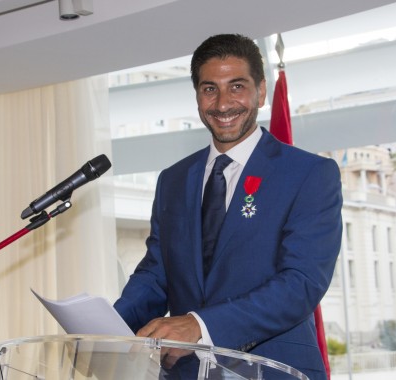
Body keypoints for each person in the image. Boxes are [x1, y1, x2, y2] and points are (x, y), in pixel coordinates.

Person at [113, 34, 343, 380]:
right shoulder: (172, 180)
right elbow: (157, 274)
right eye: (209, 89)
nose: (222, 104)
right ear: (197, 96)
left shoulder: (309, 174)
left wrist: (200, 326)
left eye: (237, 86)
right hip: (186, 372)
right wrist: (106, 327)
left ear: (261, 92)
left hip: (276, 370)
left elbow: (301, 283)